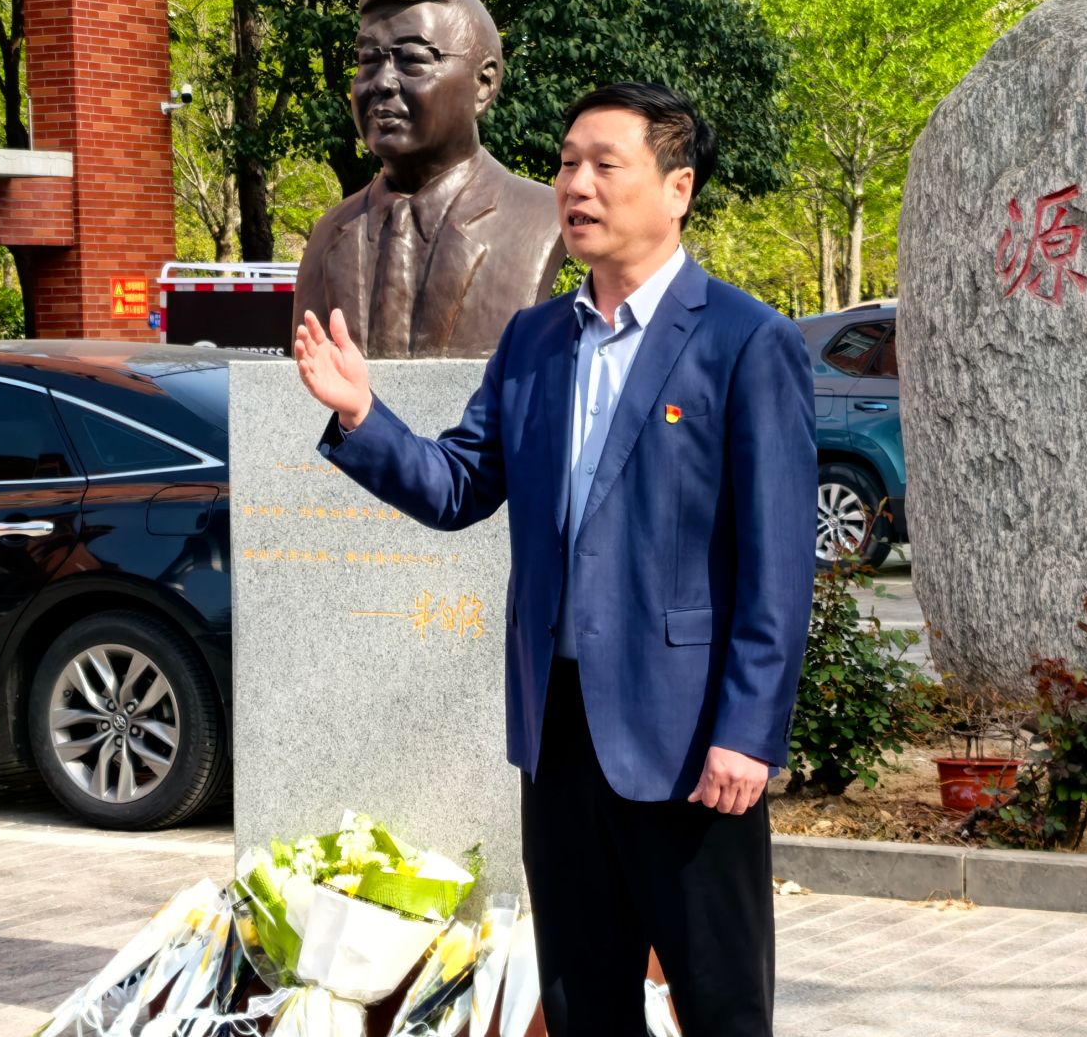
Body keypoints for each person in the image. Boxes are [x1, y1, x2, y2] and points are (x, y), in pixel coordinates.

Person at [295, 82, 814, 1035]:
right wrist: (363, 414)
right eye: (568, 163)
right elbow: (458, 485)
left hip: (690, 741)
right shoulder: (535, 340)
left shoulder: (746, 341)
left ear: (678, 189)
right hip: (558, 734)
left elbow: (778, 565)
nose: (575, 184)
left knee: (722, 1008)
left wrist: (749, 732)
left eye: (605, 165)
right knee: (582, 1004)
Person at [290, 0, 567, 359]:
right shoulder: (329, 234)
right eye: (368, 60)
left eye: (414, 60)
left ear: (484, 85)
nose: (382, 82)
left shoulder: (542, 217)